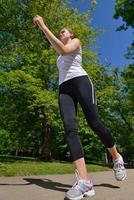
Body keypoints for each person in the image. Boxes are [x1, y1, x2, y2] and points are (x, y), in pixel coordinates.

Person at [33, 15, 127, 200]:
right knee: (69, 128)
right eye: (60, 31)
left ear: (71, 34)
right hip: (64, 88)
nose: (61, 32)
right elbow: (58, 49)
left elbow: (64, 49)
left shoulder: (75, 42)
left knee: (95, 123)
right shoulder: (59, 54)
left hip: (81, 82)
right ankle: (85, 182)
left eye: (64, 31)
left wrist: (44, 27)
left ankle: (117, 158)